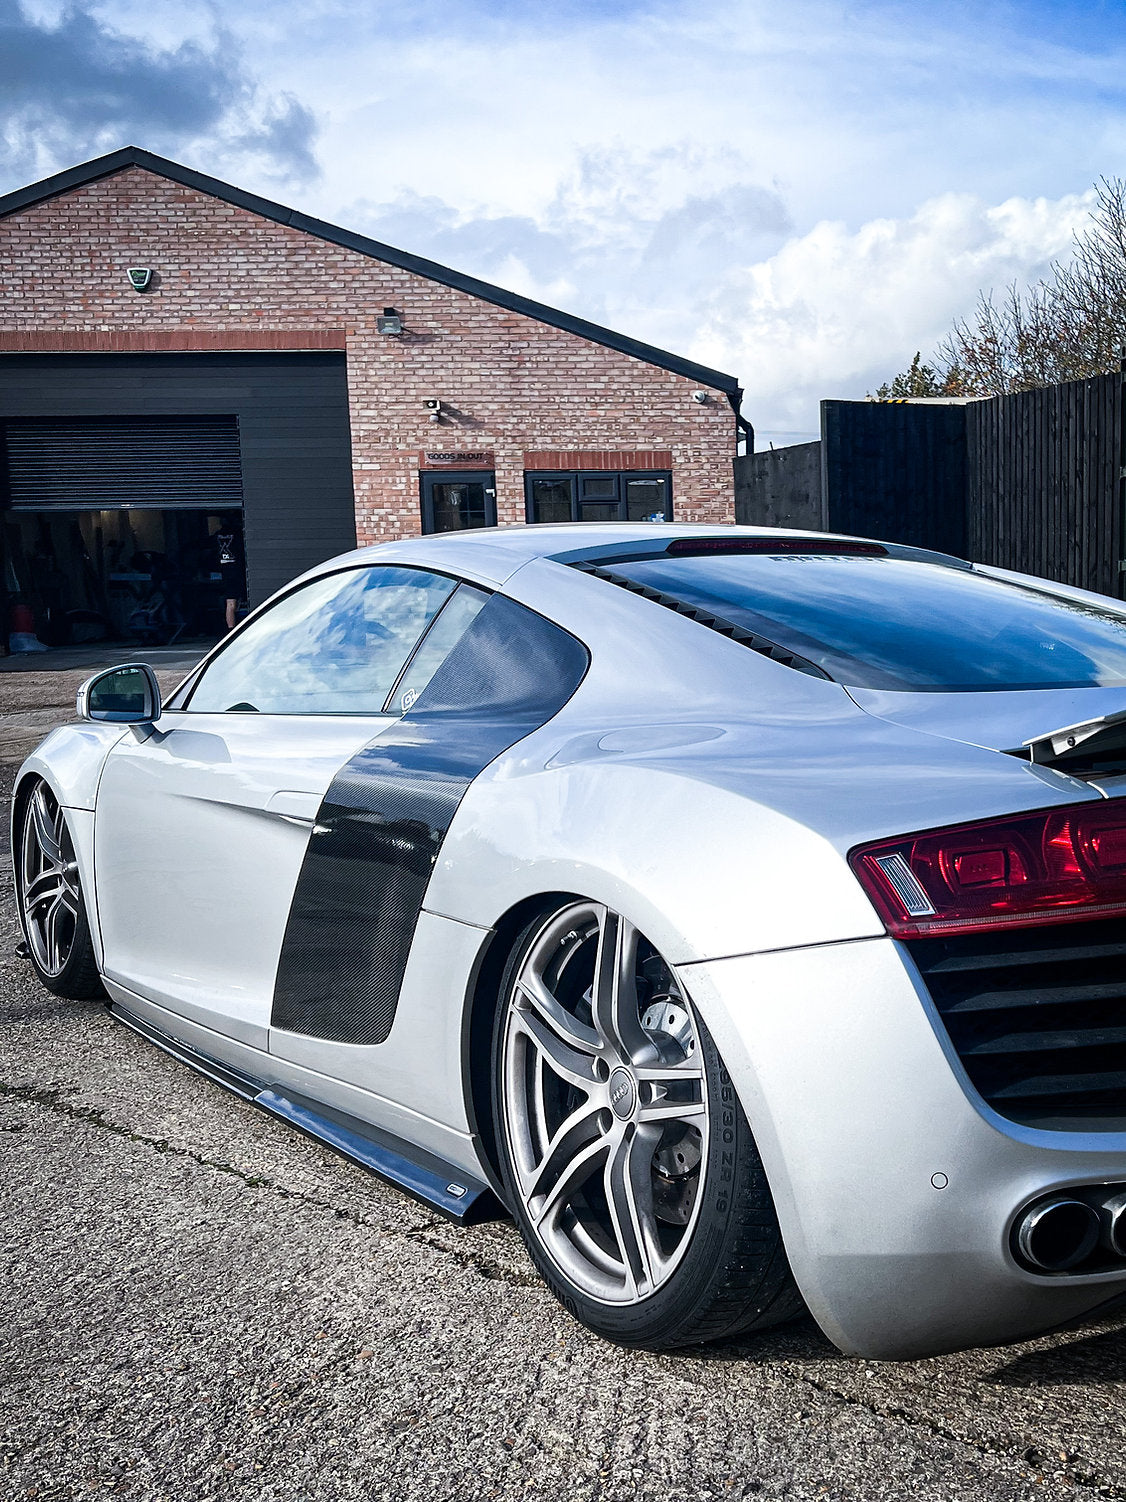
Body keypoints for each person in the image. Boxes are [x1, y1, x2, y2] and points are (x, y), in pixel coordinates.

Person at [214, 516, 246, 632]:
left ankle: (230, 628)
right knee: (234, 603)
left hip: (224, 571)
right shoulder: (238, 534)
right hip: (237, 570)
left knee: (230, 602)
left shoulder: (218, 535)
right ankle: (232, 630)